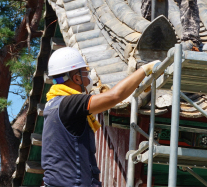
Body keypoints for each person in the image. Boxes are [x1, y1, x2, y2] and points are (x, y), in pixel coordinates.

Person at [41, 47, 159, 186]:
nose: (88, 77)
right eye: (85, 72)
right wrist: (145, 70)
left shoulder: (53, 105)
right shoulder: (70, 103)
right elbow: (114, 96)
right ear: (77, 78)